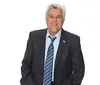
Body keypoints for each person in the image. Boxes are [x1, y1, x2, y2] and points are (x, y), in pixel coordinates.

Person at [20, 3, 85, 85]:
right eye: (51, 16)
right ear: (46, 18)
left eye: (58, 17)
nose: (54, 20)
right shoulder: (34, 37)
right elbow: (26, 64)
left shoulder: (73, 41)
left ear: (63, 20)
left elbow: (79, 70)